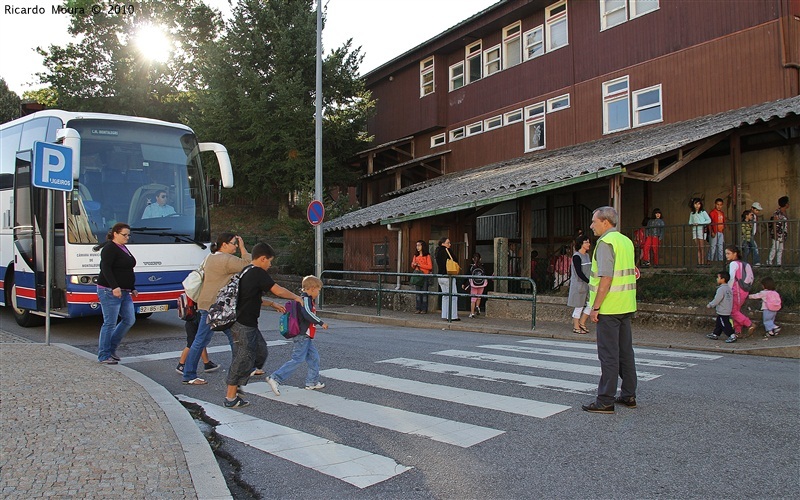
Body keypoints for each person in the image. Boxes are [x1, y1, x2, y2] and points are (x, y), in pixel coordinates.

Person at [224, 243, 300, 408]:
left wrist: (271, 304)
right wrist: (296, 297)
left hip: (245, 322)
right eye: (269, 261)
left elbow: (251, 297)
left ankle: (238, 383)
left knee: (260, 351)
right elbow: (278, 290)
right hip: (243, 323)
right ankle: (231, 396)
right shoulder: (257, 272)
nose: (270, 265)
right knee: (243, 358)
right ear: (262, 258)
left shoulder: (246, 271)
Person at [582, 206, 638, 414]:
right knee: (625, 352)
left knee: (608, 355)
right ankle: (629, 394)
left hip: (609, 306)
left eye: (594, 221)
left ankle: (605, 400)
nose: (591, 226)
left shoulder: (605, 243)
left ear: (605, 222)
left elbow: (606, 279)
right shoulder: (626, 241)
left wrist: (595, 307)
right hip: (626, 304)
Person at [182, 232, 251, 385]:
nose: (235, 246)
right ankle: (189, 374)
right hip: (218, 307)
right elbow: (248, 264)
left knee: (228, 337)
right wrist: (243, 248)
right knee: (205, 340)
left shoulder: (211, 257)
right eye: (233, 243)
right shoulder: (226, 259)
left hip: (208, 304)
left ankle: (240, 369)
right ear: (224, 244)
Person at [267, 275, 329, 396]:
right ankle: (275, 377)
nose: (318, 293)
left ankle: (312, 382)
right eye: (318, 290)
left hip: (305, 336)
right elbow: (307, 314)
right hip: (302, 335)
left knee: (314, 358)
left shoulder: (304, 299)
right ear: (312, 288)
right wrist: (321, 322)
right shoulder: (305, 300)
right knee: (298, 359)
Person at [96, 223, 139, 364]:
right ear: (115, 233)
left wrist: (132, 287)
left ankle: (111, 348)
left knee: (129, 319)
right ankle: (103, 354)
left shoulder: (123, 248)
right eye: (124, 235)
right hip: (109, 290)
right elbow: (105, 268)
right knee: (109, 323)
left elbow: (127, 269)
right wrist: (115, 286)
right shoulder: (110, 248)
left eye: (128, 235)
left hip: (125, 291)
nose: (127, 237)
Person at [725, 245, 756, 343]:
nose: (726, 255)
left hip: (737, 290)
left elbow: (731, 278)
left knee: (733, 311)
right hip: (743, 290)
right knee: (736, 310)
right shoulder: (742, 263)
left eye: (728, 253)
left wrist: (727, 289)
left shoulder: (733, 264)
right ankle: (738, 331)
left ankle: (749, 324)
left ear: (735, 254)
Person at [567, 235, 592, 334]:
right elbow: (579, 272)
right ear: (581, 244)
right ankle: (576, 326)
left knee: (591, 304)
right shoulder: (577, 256)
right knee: (579, 305)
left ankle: (582, 322)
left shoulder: (587, 255)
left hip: (587, 284)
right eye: (586, 242)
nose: (588, 244)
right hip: (579, 284)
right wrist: (588, 281)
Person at [434, 237, 460, 321]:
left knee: (445, 296)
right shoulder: (447, 250)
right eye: (448, 243)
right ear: (443, 243)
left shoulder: (437, 251)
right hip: (448, 275)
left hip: (440, 276)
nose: (450, 244)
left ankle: (444, 314)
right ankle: (452, 316)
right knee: (453, 295)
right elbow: (455, 260)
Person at [705, 271, 734, 341]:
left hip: (722, 310)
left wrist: (710, 305)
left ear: (723, 279)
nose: (717, 279)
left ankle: (732, 335)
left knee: (725, 324)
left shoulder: (721, 289)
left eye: (718, 277)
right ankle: (716, 333)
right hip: (727, 309)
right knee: (719, 323)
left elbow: (717, 299)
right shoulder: (729, 289)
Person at [411, 240, 433, 314]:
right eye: (417, 245)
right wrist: (414, 264)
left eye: (419, 245)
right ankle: (418, 308)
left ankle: (424, 309)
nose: (418, 247)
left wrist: (420, 265)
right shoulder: (415, 255)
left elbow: (430, 267)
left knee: (424, 293)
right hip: (418, 275)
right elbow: (412, 265)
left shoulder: (427, 256)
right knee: (418, 293)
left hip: (425, 275)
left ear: (423, 246)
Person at [766, 196, 789, 266]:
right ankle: (769, 262)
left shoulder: (784, 212)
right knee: (774, 248)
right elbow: (774, 223)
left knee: (780, 249)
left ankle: (779, 263)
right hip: (777, 233)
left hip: (782, 233)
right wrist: (775, 234)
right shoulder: (777, 213)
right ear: (785, 204)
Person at [688, 198, 711, 267]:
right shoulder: (692, 213)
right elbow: (690, 222)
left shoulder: (703, 212)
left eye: (698, 204)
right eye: (696, 204)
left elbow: (709, 220)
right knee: (698, 247)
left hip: (701, 230)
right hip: (695, 230)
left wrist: (701, 223)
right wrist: (693, 224)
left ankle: (702, 262)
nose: (697, 205)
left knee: (702, 247)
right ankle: (699, 263)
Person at [464, 252, 487, 318]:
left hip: (474, 284)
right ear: (480, 259)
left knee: (473, 298)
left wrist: (463, 283)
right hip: (482, 284)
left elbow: (467, 275)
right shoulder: (482, 266)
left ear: (472, 259)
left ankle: (472, 313)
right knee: (479, 297)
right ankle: (477, 306)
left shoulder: (471, 267)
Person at [707, 198, 726, 262]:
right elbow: (709, 222)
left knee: (721, 248)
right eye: (718, 204)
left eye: (720, 205)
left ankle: (720, 261)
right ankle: (709, 261)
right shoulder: (712, 213)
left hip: (721, 232)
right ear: (715, 204)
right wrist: (711, 231)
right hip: (715, 232)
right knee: (712, 247)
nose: (719, 206)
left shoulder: (722, 213)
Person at [749, 201, 763, 266]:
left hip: (752, 234)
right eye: (756, 210)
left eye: (758, 210)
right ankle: (756, 262)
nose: (757, 211)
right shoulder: (750, 215)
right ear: (752, 208)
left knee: (747, 250)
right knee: (755, 248)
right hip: (749, 235)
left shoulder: (754, 216)